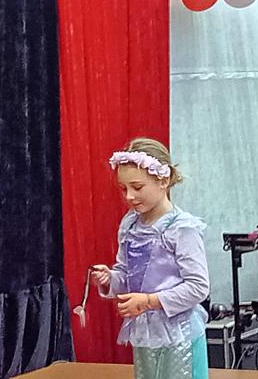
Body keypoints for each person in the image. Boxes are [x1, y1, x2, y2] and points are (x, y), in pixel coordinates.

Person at [92, 137, 209, 379]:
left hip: (179, 334)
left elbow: (198, 287)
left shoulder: (182, 228)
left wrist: (148, 301)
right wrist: (110, 279)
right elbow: (128, 275)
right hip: (146, 332)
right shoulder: (130, 225)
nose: (129, 196)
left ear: (163, 181)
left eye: (137, 187)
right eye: (123, 189)